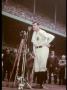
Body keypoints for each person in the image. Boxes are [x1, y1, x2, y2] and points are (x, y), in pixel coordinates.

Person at [31, 22, 55, 88]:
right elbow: (33, 43)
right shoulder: (34, 33)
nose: (33, 27)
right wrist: (34, 51)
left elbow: (52, 36)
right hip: (37, 50)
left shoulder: (42, 32)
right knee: (37, 67)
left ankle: (41, 84)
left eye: (34, 25)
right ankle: (38, 83)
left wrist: (47, 43)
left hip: (43, 49)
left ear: (38, 26)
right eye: (32, 26)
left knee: (42, 66)